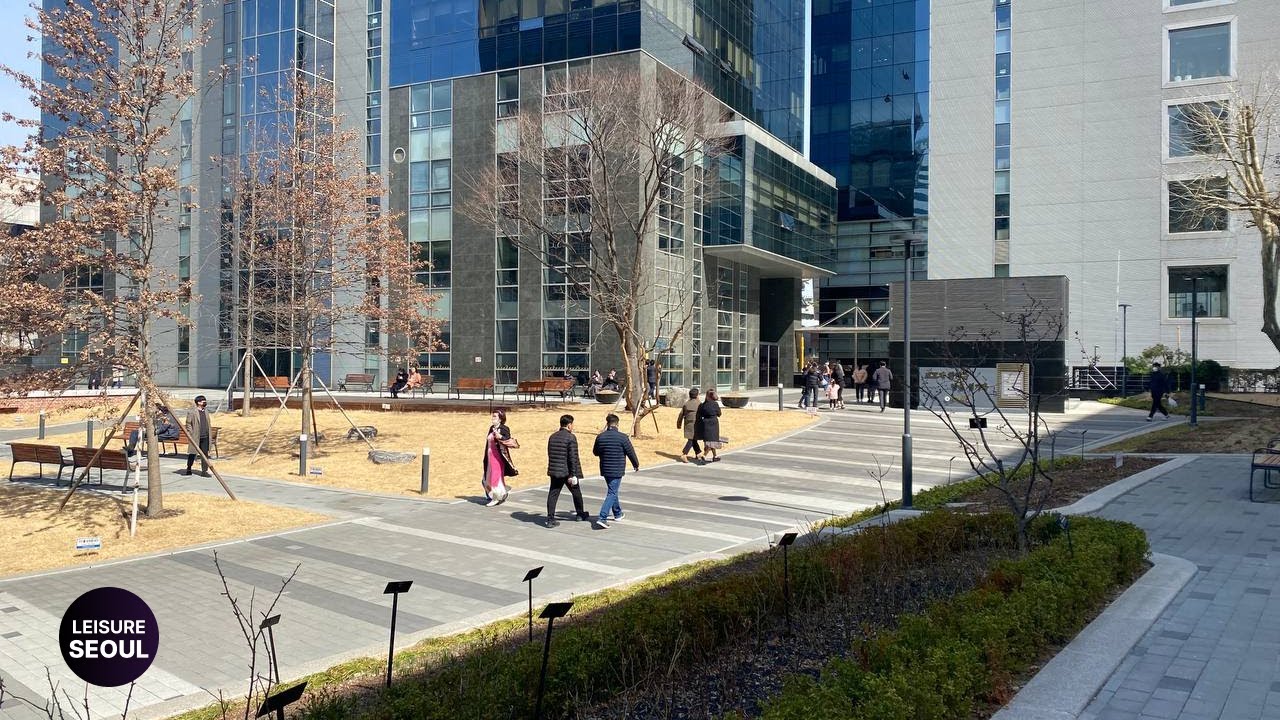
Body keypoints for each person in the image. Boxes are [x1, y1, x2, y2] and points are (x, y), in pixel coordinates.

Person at [592, 413, 639, 529]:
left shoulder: (600, 437)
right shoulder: (623, 437)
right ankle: (602, 517)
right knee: (612, 493)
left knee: (612, 490)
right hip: (617, 469)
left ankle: (618, 513)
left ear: (607, 423)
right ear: (617, 424)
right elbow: (630, 452)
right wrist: (636, 464)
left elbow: (595, 452)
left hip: (605, 468)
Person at [545, 414, 589, 527]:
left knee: (553, 494)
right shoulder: (571, 437)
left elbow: (550, 453)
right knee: (576, 492)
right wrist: (573, 474)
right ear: (569, 425)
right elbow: (573, 457)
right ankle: (580, 514)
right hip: (567, 471)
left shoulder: (552, 436)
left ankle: (550, 518)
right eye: (572, 424)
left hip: (555, 470)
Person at [482, 409, 520, 506]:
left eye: (495, 416)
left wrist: (501, 437)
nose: (493, 418)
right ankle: (503, 491)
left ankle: (496, 498)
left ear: (500, 419)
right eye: (493, 416)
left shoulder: (504, 428)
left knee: (495, 478)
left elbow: (508, 440)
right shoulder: (491, 428)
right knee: (487, 479)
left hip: (498, 458)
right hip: (490, 457)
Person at [182, 395, 212, 477]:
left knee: (205, 454)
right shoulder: (192, 412)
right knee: (192, 453)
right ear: (198, 402)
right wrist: (191, 433)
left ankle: (204, 471)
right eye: (203, 401)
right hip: (195, 436)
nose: (205, 402)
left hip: (205, 436)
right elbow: (188, 423)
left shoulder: (206, 411)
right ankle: (189, 468)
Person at [676, 387, 702, 463]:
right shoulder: (699, 404)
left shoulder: (686, 404)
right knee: (691, 439)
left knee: (693, 439)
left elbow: (681, 415)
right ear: (697, 395)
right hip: (696, 424)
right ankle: (684, 454)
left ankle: (698, 453)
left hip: (688, 424)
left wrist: (679, 424)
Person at [696, 388, 723, 462]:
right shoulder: (715, 404)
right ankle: (704, 456)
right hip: (714, 423)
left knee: (709, 440)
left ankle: (715, 456)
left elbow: (700, 414)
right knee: (712, 440)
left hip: (705, 423)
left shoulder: (702, 405)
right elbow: (719, 414)